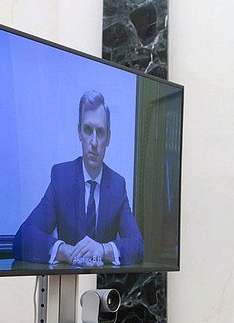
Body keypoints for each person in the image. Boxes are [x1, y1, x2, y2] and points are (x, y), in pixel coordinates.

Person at [12, 90, 144, 265]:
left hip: (101, 278)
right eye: (88, 130)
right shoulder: (62, 178)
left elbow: (137, 245)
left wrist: (103, 250)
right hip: (66, 277)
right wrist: (64, 251)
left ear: (108, 138)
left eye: (100, 132)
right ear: (79, 132)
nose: (94, 142)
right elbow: (22, 238)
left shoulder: (117, 185)